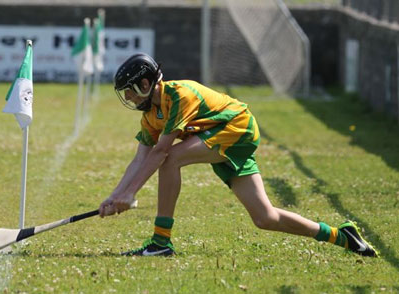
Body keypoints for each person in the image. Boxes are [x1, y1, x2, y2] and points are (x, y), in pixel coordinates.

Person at [99, 53, 378, 257]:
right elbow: (139, 159)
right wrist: (115, 195)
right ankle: (341, 236)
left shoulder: (179, 95)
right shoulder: (150, 117)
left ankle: (161, 242)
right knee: (265, 218)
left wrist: (131, 194)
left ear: (145, 84)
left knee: (171, 157)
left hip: (237, 128)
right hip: (221, 139)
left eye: (130, 92)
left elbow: (160, 151)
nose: (130, 99)